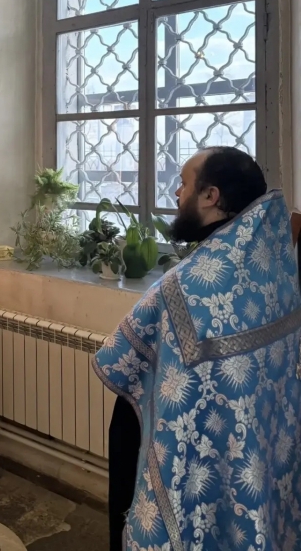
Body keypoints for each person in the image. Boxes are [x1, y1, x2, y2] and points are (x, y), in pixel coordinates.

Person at [98, 147, 301, 550]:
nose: (177, 193)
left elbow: (120, 358)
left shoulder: (186, 284)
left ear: (211, 196)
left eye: (184, 183)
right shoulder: (274, 269)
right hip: (263, 452)